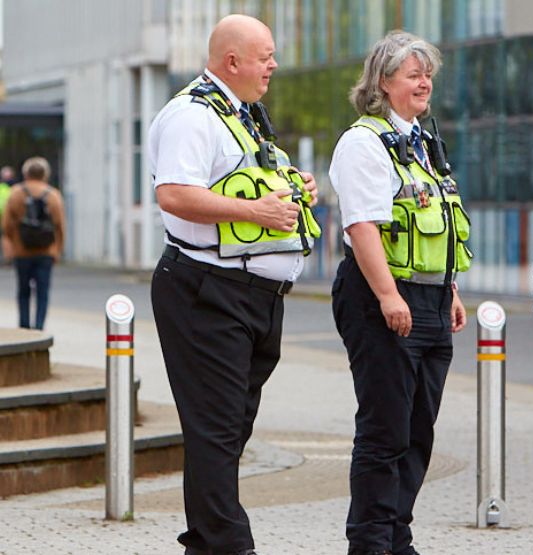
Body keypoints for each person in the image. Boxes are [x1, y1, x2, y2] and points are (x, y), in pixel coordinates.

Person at [146, 13, 319, 555]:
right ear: (232, 61)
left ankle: (206, 540)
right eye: (265, 55)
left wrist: (292, 189)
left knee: (226, 432)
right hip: (207, 289)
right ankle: (228, 545)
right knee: (217, 430)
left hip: (251, 296)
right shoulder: (192, 116)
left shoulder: (243, 115)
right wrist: (256, 210)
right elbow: (173, 193)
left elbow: (245, 184)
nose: (273, 64)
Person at [325, 31, 467, 555]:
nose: (424, 81)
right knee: (385, 429)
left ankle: (395, 536)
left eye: (427, 73)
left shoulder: (425, 144)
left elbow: (438, 223)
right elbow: (362, 226)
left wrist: (448, 288)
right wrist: (388, 296)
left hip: (428, 300)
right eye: (412, 74)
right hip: (382, 297)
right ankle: (369, 542)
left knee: (417, 431)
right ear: (383, 84)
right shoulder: (363, 142)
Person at [0, 157, 64, 329]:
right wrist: (57, 250)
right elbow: (59, 226)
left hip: (22, 251)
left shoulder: (15, 193)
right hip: (46, 252)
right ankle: (40, 326)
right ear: (45, 175)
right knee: (43, 292)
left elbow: (6, 226)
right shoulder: (53, 195)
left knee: (23, 291)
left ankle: (24, 326)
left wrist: (9, 249)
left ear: (25, 174)